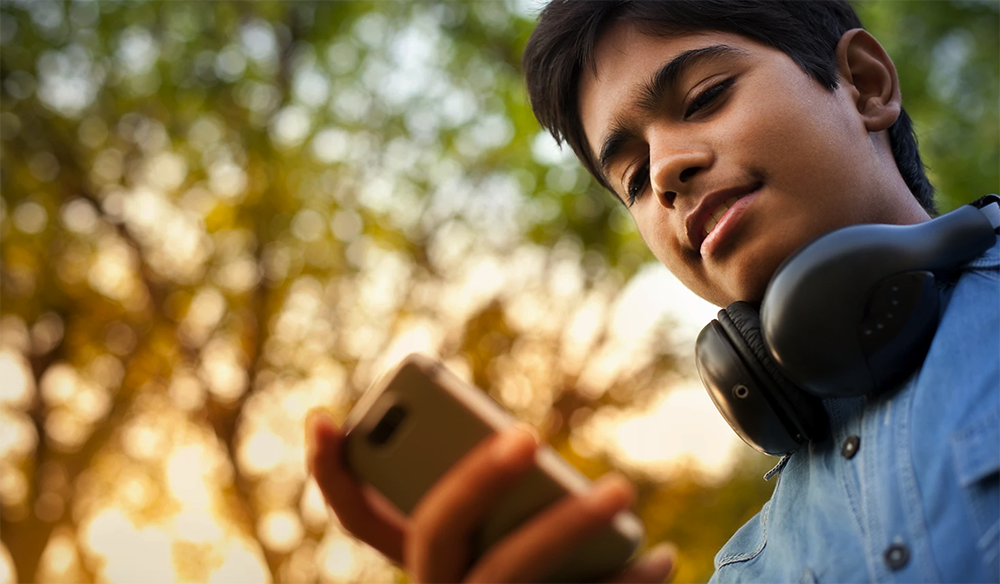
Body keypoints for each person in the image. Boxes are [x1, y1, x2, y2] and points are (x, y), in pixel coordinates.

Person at [307, 1, 1000, 582]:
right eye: (634, 179)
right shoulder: (745, 570)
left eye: (704, 98)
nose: (666, 170)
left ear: (865, 83)